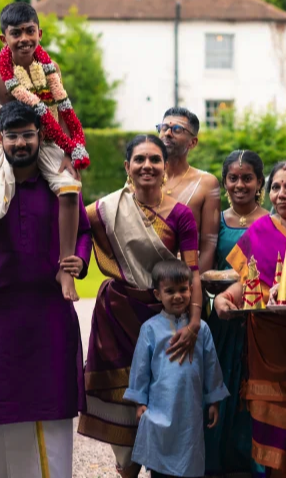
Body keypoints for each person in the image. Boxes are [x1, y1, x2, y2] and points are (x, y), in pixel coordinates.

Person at [0, 100, 92, 478]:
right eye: (12, 137)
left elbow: (85, 233)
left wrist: (77, 259)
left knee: (53, 414)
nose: (21, 143)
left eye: (28, 135)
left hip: (49, 316)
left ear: (39, 136)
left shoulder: (59, 184)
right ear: (1, 138)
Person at [77, 135, 203, 478]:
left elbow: (192, 271)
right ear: (127, 167)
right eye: (139, 160)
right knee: (124, 403)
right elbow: (75, 227)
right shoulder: (105, 209)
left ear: (165, 167)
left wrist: (193, 321)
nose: (147, 166)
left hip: (163, 318)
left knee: (165, 397)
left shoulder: (181, 214)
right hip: (117, 315)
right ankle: (126, 471)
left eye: (155, 160)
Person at [0, 2, 88, 306]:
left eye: (29, 31)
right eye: (15, 32)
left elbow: (58, 113)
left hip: (43, 138)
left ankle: (65, 269)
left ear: (39, 33)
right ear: (3, 38)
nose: (23, 38)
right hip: (1, 136)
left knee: (70, 186)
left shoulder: (50, 67)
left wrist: (67, 150)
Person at [215, 160, 286, 478]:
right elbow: (248, 282)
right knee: (271, 430)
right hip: (266, 344)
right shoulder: (260, 230)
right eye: (275, 187)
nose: (280, 194)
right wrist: (226, 297)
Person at [125, 260, 229, 478]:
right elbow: (140, 368)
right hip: (159, 409)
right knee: (160, 463)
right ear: (157, 294)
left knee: (189, 457)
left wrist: (213, 400)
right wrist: (140, 402)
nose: (177, 296)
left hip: (189, 412)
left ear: (191, 290)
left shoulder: (201, 329)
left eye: (183, 289)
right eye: (170, 291)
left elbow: (211, 365)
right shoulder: (150, 329)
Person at [204, 150, 269, 477]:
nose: (240, 184)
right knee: (219, 386)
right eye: (233, 178)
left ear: (260, 181)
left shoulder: (271, 223)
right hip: (221, 318)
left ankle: (255, 463)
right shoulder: (215, 220)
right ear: (225, 180)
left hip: (260, 321)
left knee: (254, 386)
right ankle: (217, 461)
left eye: (247, 178)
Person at [157, 107, 221, 273]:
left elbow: (209, 245)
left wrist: (194, 285)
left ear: (192, 142)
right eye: (164, 128)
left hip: (185, 281)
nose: (168, 133)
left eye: (177, 129)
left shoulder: (206, 183)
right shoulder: (145, 176)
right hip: (145, 279)